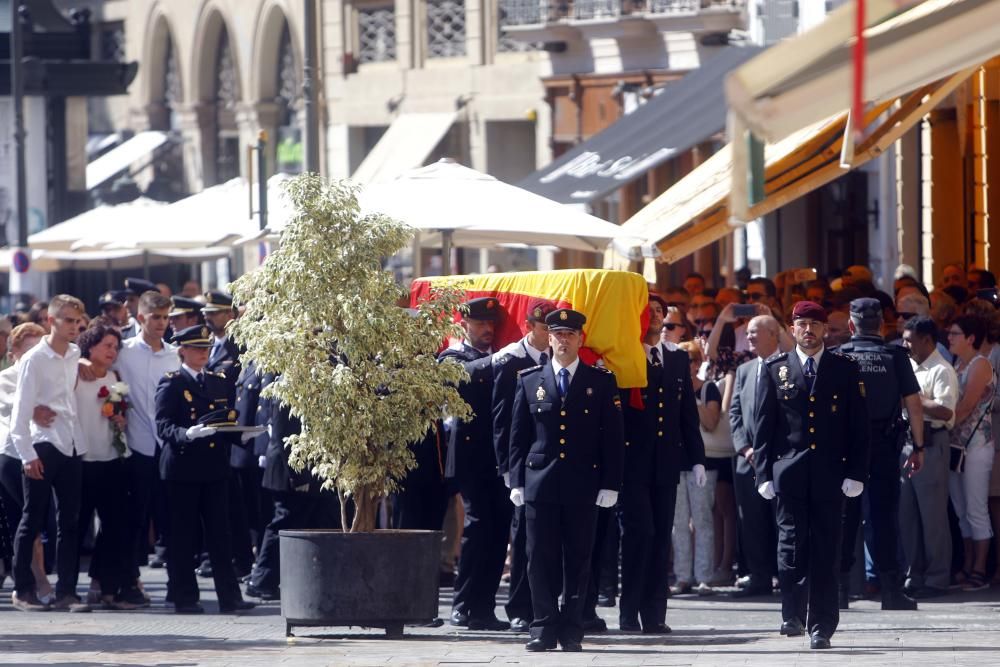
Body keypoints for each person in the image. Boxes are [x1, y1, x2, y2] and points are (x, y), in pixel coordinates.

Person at [754, 301, 869, 650]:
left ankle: (822, 626)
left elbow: (858, 427)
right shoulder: (776, 369)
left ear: (826, 330)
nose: (808, 330)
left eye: (815, 324)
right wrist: (763, 473)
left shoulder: (844, 369)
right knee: (791, 548)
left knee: (825, 551)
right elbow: (764, 427)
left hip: (830, 475)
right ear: (792, 329)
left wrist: (855, 472)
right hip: (789, 474)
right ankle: (791, 612)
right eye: (802, 324)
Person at [508, 308, 623, 652]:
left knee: (578, 558)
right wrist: (516, 481)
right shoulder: (530, 380)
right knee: (538, 558)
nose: (563, 340)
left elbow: (613, 438)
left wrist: (610, 483)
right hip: (540, 484)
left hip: (582, 484)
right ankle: (542, 626)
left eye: (570, 335)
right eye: (557, 334)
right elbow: (518, 436)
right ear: (549, 337)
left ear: (580, 339)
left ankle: (572, 627)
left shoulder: (600, 382)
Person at [618, 295, 705, 634]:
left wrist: (696, 458)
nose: (656, 317)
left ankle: (654, 614)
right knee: (639, 533)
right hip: (632, 463)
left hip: (666, 462)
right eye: (649, 311)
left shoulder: (676, 358)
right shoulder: (625, 355)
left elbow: (687, 413)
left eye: (660, 312)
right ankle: (629, 612)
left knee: (659, 540)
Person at [154, 324, 253, 614]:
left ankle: (229, 597)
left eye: (206, 348)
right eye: (196, 349)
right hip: (182, 468)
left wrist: (242, 435)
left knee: (220, 536)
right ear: (182, 351)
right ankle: (183, 596)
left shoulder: (218, 381)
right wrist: (186, 433)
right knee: (183, 535)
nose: (202, 353)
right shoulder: (172, 382)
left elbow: (224, 423)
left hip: (213, 468)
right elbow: (163, 425)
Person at [835, 298, 924, 611]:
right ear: (883, 325)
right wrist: (919, 445)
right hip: (885, 446)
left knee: (844, 517)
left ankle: (840, 591)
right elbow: (913, 403)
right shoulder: (895, 355)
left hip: (845, 450)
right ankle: (891, 591)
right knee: (884, 517)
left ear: (851, 325)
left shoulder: (839, 356)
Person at [9, 295, 89, 612]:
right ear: (51, 321)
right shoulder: (33, 359)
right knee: (32, 519)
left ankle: (66, 591)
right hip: (42, 443)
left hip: (71, 443)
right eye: (67, 320)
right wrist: (27, 454)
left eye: (77, 321)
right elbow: (19, 414)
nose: (74, 326)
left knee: (70, 520)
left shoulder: (74, 353)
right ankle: (22, 589)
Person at [440, 297, 511, 631]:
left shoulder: (499, 358)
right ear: (465, 324)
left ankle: (484, 607)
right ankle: (463, 603)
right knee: (478, 528)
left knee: (498, 532)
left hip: (499, 457)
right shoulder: (454, 356)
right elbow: (459, 378)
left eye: (492, 324)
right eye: (481, 323)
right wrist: (497, 359)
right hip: (471, 459)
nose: (488, 330)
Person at [491, 298, 555, 633]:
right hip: (523, 466)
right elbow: (504, 422)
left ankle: (542, 603)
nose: (550, 335)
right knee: (522, 537)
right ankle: (518, 605)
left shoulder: (555, 360)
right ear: (530, 327)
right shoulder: (512, 361)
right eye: (545, 328)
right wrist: (509, 471)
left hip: (549, 465)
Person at [111, 290, 179, 589]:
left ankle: (179, 587)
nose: (161, 323)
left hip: (169, 449)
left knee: (173, 520)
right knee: (133, 519)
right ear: (140, 318)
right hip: (136, 446)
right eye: (155, 317)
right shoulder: (123, 352)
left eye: (166, 317)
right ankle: (128, 580)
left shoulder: (175, 355)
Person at [74, 322, 136, 610]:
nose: (112, 351)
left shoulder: (116, 377)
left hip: (112, 459)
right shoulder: (76, 373)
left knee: (113, 527)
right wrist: (79, 360)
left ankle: (109, 589)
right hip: (83, 460)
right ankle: (67, 589)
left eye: (116, 346)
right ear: (90, 345)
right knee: (76, 527)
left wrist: (121, 420)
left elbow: (121, 411)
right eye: (107, 345)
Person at [899, 316, 959, 598]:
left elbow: (946, 412)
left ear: (926, 340)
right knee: (907, 514)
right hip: (907, 444)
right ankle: (915, 573)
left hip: (933, 444)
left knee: (933, 515)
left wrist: (913, 398)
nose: (904, 344)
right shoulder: (908, 366)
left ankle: (937, 577)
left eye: (909, 339)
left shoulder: (941, 370)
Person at [0, 323, 54, 602]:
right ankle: (35, 580)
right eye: (28, 350)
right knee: (27, 517)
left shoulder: (44, 377)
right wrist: (35, 410)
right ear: (13, 354)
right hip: (10, 455)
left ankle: (32, 577)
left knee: (30, 518)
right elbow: (18, 405)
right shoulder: (7, 378)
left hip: (36, 454)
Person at [728, 315, 779, 598]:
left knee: (780, 520)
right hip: (747, 461)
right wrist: (745, 448)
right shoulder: (745, 369)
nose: (748, 338)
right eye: (747, 333)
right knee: (751, 520)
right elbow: (734, 413)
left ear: (773, 334)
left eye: (754, 332)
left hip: (777, 460)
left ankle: (785, 575)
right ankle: (759, 576)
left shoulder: (787, 367)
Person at [945, 314, 996, 592]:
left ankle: (979, 569)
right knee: (961, 509)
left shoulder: (980, 365)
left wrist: (940, 420)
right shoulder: (958, 363)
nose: (949, 338)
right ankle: (966, 565)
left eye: (954, 334)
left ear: (970, 338)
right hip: (957, 448)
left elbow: (965, 407)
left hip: (976, 448)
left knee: (976, 509)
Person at [670, 341, 720, 596]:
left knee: (702, 519)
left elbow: (711, 422)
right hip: (675, 461)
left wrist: (690, 395)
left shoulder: (709, 388)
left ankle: (704, 577)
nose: (687, 365)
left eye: (691, 360)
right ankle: (682, 576)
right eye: (683, 360)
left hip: (704, 460)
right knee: (678, 523)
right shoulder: (669, 384)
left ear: (698, 363)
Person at [202, 290, 241, 387]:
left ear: (230, 314)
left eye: (213, 313)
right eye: (206, 313)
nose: (207, 318)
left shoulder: (240, 347)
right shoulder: (204, 343)